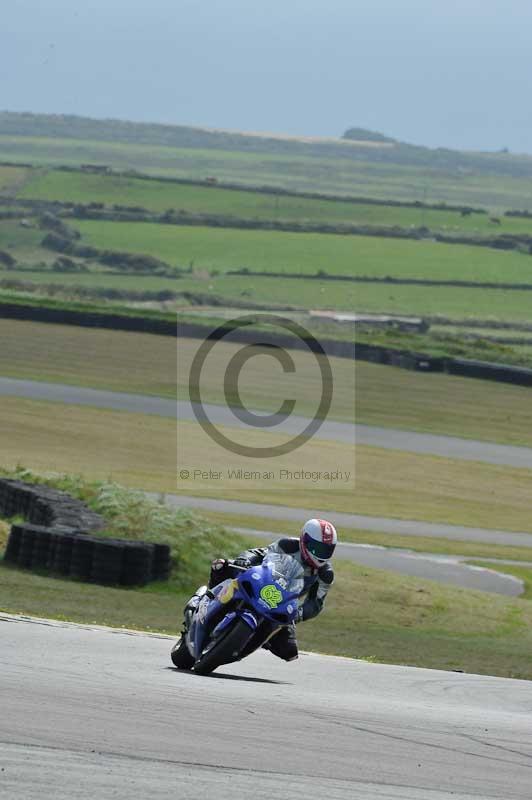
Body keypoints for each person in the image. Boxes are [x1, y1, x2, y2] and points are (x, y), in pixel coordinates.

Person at [206, 518, 337, 662]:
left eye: (326, 550)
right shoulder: (287, 545)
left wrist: (298, 614)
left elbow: (315, 603)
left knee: (289, 651)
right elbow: (261, 553)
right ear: (304, 540)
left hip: (283, 604)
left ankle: (254, 641)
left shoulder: (326, 574)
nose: (320, 554)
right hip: (261, 582)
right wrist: (246, 559)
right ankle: (208, 597)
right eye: (317, 548)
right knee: (222, 566)